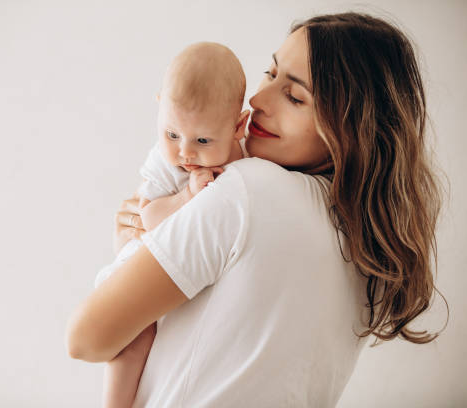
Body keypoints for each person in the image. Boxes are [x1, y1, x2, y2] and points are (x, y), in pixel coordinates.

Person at [66, 12, 446, 407]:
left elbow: (86, 339)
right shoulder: (370, 254)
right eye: (271, 73)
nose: (258, 100)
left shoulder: (248, 190)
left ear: (350, 131)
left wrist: (135, 244)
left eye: (295, 97)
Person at [94, 42, 250, 408]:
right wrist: (185, 198)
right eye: (172, 134)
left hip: (188, 271)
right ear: (160, 106)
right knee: (134, 339)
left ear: (238, 126)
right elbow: (147, 216)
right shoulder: (165, 164)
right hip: (141, 260)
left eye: (203, 140)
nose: (185, 152)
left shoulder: (250, 163)